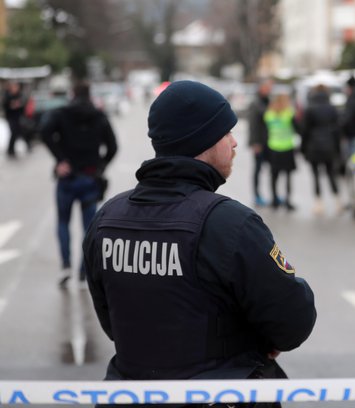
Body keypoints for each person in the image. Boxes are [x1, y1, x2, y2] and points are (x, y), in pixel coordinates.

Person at [82, 81, 316, 407]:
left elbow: (112, 323)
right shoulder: (229, 223)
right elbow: (294, 321)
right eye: (226, 133)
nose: (234, 143)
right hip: (222, 395)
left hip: (131, 395)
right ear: (203, 141)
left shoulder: (107, 219)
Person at [41, 81, 118, 287]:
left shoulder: (61, 113)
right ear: (90, 94)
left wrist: (60, 159)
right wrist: (100, 167)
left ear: (72, 93)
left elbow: (44, 131)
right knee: (89, 227)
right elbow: (113, 146)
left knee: (63, 222)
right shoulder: (99, 116)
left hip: (67, 178)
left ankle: (65, 265)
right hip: (89, 178)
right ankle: (84, 272)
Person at [301, 84, 342, 215]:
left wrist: (303, 148)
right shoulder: (332, 108)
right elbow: (337, 129)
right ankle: (337, 201)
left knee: (316, 175)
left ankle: (319, 203)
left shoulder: (310, 109)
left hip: (313, 145)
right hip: (329, 144)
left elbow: (305, 131)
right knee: (331, 174)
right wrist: (337, 148)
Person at [264, 92, 298, 211]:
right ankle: (288, 201)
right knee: (288, 176)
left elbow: (266, 129)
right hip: (287, 147)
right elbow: (296, 128)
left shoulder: (269, 114)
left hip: (273, 146)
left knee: (274, 176)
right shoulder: (289, 113)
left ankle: (274, 200)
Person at [248, 79, 273, 207]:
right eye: (267, 87)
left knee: (273, 170)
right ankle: (257, 195)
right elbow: (253, 125)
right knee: (258, 169)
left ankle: (273, 195)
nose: (269, 89)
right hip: (260, 142)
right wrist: (254, 143)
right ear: (261, 88)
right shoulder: (255, 103)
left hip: (271, 142)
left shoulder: (268, 101)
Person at [3, 81, 28, 158]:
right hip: (10, 117)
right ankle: (10, 149)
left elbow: (24, 105)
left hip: (18, 117)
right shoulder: (8, 96)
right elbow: (5, 106)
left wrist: (19, 105)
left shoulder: (20, 95)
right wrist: (12, 106)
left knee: (18, 132)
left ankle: (12, 149)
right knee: (13, 132)